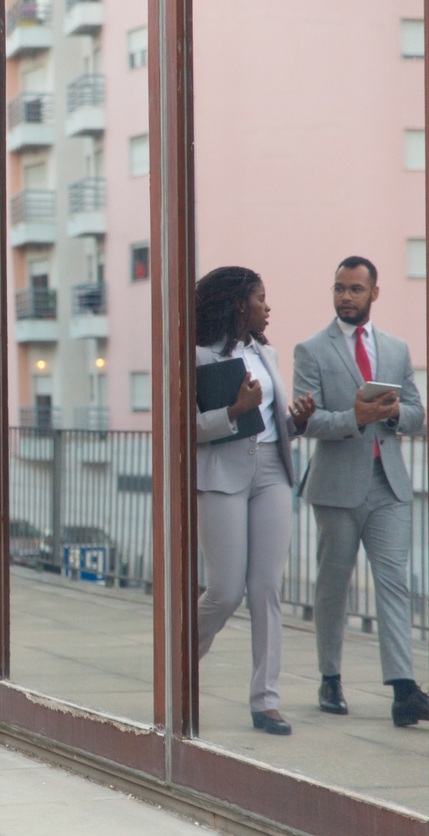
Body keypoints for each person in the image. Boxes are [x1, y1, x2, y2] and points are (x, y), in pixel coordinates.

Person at [293, 256, 429, 727]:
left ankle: (404, 690)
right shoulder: (311, 349)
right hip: (335, 489)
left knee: (394, 584)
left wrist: (392, 416)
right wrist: (356, 419)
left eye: (354, 289)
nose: (345, 297)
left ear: (374, 293)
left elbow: (417, 413)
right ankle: (330, 676)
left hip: (388, 484)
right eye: (338, 288)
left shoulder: (395, 348)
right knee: (333, 587)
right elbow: (306, 421)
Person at [194, 266, 315, 736]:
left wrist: (297, 422)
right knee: (225, 590)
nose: (269, 307)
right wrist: (233, 412)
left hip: (272, 472)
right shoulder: (200, 355)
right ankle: (179, 666)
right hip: (222, 472)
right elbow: (187, 426)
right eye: (261, 299)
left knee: (266, 588)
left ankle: (266, 701)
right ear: (240, 304)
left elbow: (272, 421)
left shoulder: (265, 352)